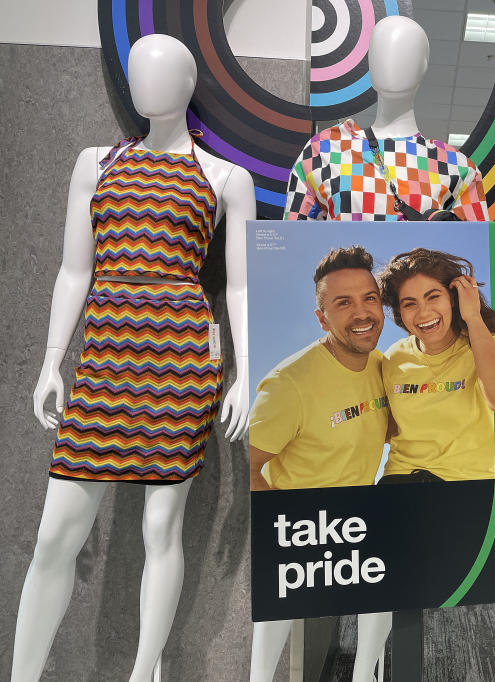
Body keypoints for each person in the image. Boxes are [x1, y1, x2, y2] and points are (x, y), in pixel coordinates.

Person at [13, 34, 255, 682]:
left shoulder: (224, 177)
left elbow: (239, 286)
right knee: (54, 536)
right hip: (105, 360)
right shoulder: (96, 163)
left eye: (164, 72)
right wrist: (50, 361)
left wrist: (246, 372)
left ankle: (144, 672)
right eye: (139, 71)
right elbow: (73, 272)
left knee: (160, 529)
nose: (149, 83)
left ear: (187, 83)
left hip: (180, 364)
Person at [248, 246, 390, 682]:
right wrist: (287, 528)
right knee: (273, 639)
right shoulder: (287, 384)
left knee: (385, 596)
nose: (362, 313)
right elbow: (249, 467)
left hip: (360, 520)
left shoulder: (383, 366)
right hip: (302, 526)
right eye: (343, 303)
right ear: (322, 318)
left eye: (369, 298)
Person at [377, 248, 495, 482]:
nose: (424, 312)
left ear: (453, 299)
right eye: (409, 304)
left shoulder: (489, 344)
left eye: (433, 296)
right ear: (399, 313)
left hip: (468, 487)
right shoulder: (393, 357)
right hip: (400, 482)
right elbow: (388, 428)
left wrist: (473, 318)